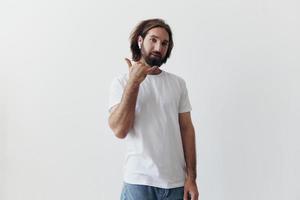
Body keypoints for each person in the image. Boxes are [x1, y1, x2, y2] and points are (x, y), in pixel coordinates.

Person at [108, 18, 199, 200]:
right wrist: (134, 83)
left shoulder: (177, 84)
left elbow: (186, 129)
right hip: (139, 183)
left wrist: (192, 178)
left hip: (176, 184)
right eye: (154, 40)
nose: (159, 47)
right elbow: (119, 130)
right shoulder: (121, 82)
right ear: (140, 41)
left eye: (164, 43)